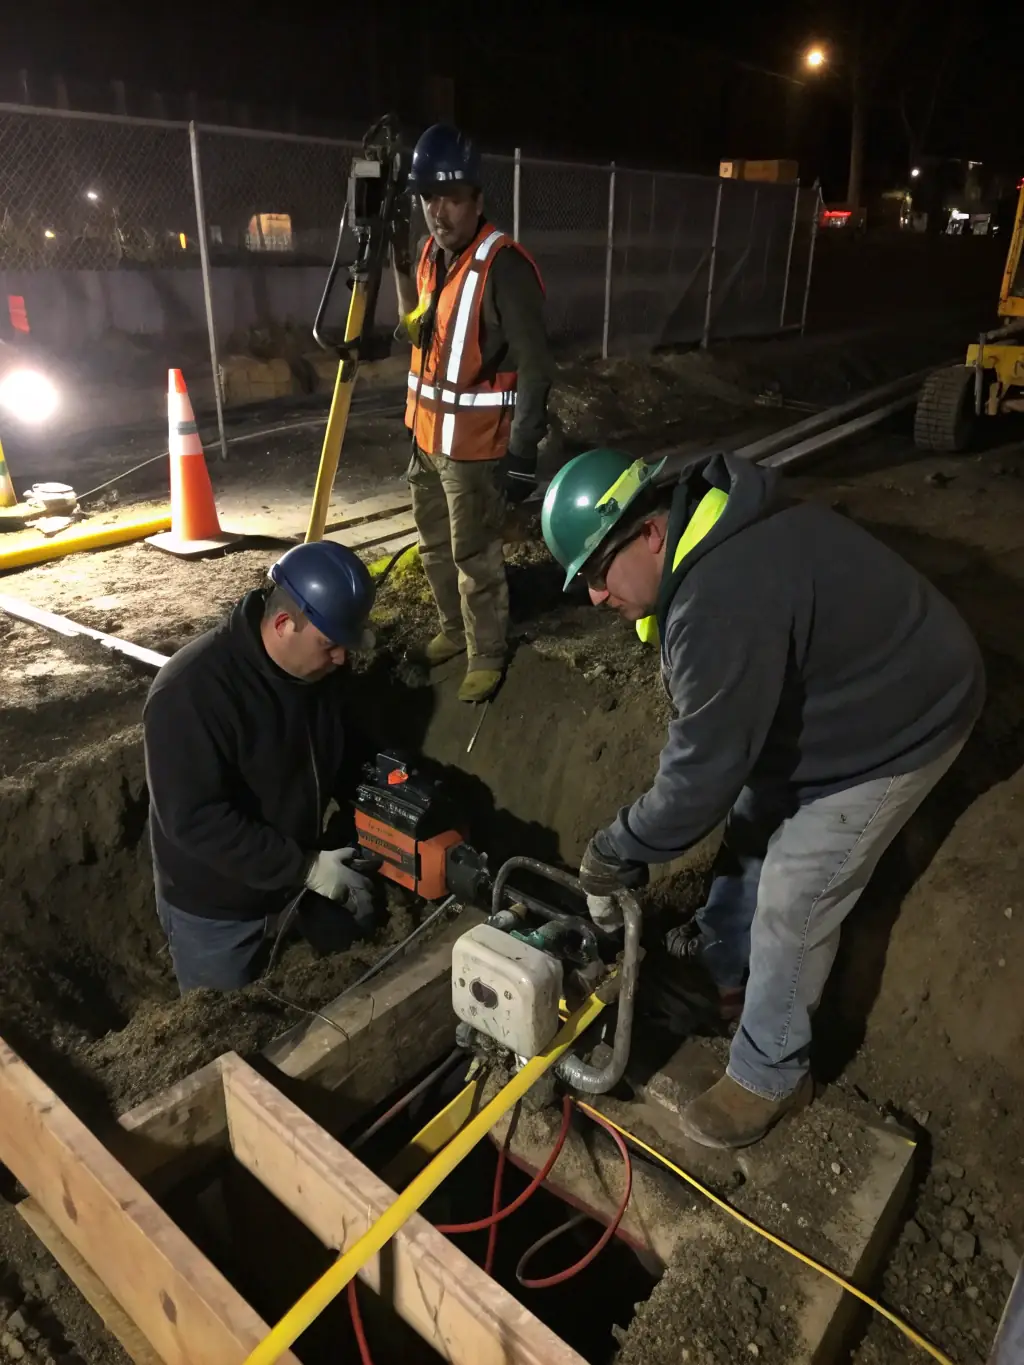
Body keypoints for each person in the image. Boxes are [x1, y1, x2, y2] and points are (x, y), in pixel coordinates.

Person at [542, 448, 985, 1150]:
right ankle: (724, 970)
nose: (595, 598)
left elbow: (698, 784)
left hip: (904, 719)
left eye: (598, 573)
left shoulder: (720, 597)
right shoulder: (711, 533)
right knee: (755, 819)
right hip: (852, 688)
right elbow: (722, 764)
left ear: (651, 532)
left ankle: (769, 1075)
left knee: (795, 889)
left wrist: (614, 848)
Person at [144, 542, 380, 992]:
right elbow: (195, 820)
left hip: (295, 872)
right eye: (329, 645)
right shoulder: (189, 694)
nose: (342, 659)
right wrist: (305, 867)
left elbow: (340, 745)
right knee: (225, 1035)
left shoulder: (318, 671)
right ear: (283, 624)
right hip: (216, 909)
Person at [392, 123, 554, 703]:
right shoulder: (430, 255)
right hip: (427, 440)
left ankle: (487, 651)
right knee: (434, 546)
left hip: (477, 449)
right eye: (429, 198)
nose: (439, 211)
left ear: (477, 199)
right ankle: (453, 630)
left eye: (452, 198)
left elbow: (536, 367)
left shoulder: (503, 266)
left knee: (474, 555)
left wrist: (522, 451)